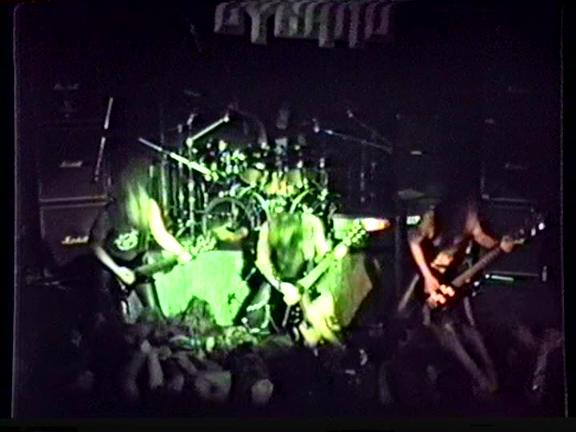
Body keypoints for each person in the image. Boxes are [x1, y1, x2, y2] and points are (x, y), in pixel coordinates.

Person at [401, 191, 515, 396]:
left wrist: (501, 245)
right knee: (447, 334)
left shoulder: (472, 215)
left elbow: (481, 238)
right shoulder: (435, 217)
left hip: (450, 281)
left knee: (470, 332)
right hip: (424, 281)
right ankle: (480, 379)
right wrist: (427, 277)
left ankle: (490, 378)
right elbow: (413, 239)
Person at [90, 159, 192, 323]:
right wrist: (117, 270)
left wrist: (180, 251)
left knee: (154, 313)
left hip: (137, 264)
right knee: (112, 320)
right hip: (111, 266)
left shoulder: (149, 207)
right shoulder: (111, 211)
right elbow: (95, 245)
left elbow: (161, 235)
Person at [242, 199, 340, 346]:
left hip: (308, 286)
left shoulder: (312, 222)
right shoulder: (268, 226)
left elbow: (323, 255)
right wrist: (281, 286)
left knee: (319, 315)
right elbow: (262, 262)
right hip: (278, 290)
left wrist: (333, 254)